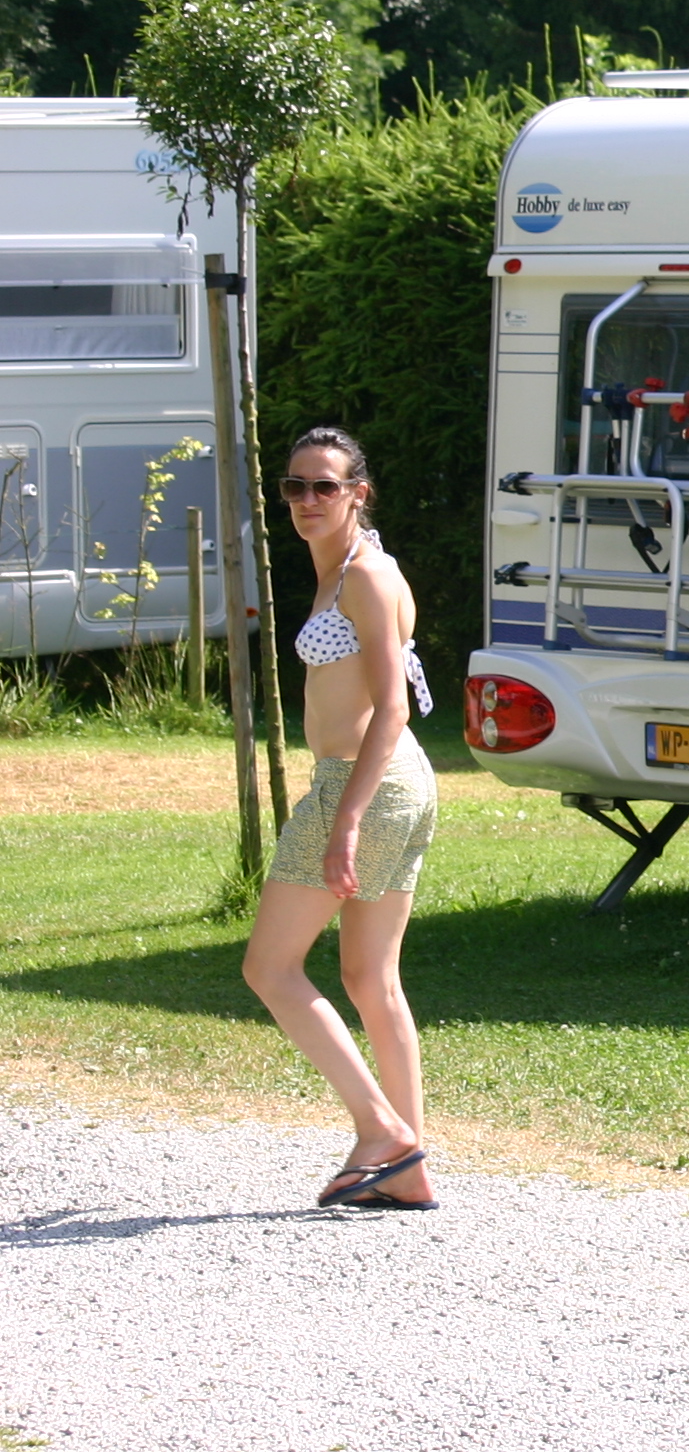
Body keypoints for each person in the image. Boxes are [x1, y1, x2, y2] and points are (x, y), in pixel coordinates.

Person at [240, 425, 441, 1210]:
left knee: (269, 967)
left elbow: (392, 708)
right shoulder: (346, 570)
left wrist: (347, 817)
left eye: (325, 486)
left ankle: (381, 1131)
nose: (307, 501)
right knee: (368, 978)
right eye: (295, 486)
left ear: (359, 492)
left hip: (363, 784)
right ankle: (409, 1163)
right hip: (383, 783)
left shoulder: (365, 576)